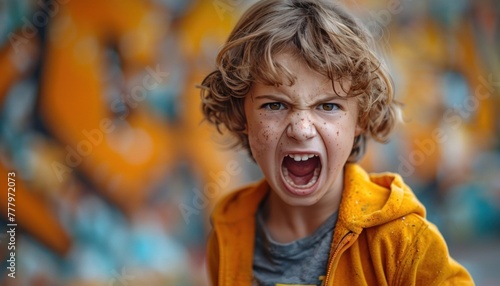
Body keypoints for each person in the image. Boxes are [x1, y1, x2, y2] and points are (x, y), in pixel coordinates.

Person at [199, 0, 474, 285]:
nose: (302, 130)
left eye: (328, 106)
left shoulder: (402, 242)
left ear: (361, 118)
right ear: (241, 115)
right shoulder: (228, 230)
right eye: (275, 105)